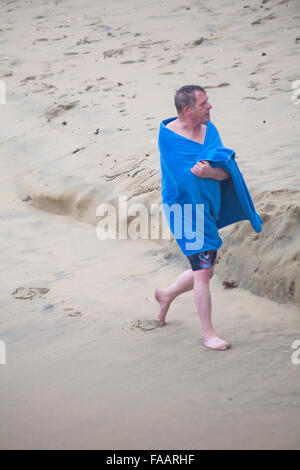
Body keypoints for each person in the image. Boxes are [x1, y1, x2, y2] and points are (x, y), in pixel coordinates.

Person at [155, 85, 233, 351]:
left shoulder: (210, 132)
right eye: (204, 104)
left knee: (207, 271)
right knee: (202, 273)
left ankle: (166, 295)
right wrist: (205, 173)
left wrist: (212, 174)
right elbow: (183, 178)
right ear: (187, 110)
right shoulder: (168, 138)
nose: (210, 107)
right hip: (183, 211)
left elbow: (227, 172)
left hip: (207, 207)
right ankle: (208, 334)